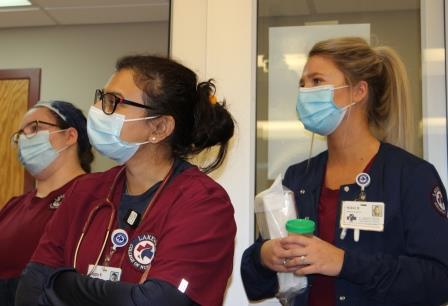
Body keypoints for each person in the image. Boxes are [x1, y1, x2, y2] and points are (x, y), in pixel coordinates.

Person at [241, 37, 448, 306]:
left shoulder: (411, 176)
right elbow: (254, 281)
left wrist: (343, 263)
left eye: (316, 81)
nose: (305, 92)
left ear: (358, 91)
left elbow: (438, 280)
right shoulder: (298, 177)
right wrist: (264, 256)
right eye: (302, 84)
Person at [16, 55, 236, 306]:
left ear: (159, 128)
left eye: (113, 102)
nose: (98, 109)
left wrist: (62, 284)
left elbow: (159, 302)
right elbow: (30, 291)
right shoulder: (85, 190)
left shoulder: (203, 203)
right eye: (101, 97)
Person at [0, 100, 93, 306]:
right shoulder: (14, 205)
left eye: (34, 128)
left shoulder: (93, 196)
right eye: (20, 134)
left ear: (70, 136)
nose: (25, 139)